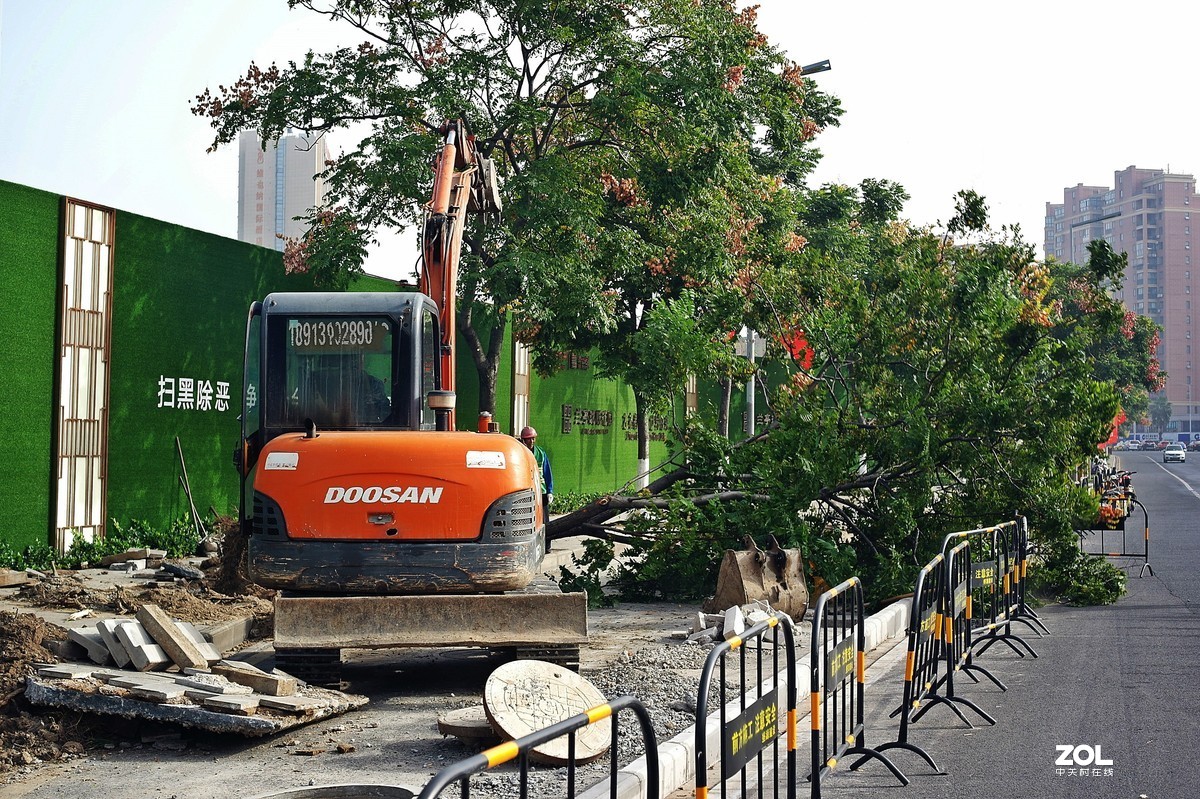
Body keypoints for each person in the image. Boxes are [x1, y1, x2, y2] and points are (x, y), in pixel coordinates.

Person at [519, 425, 554, 517]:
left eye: (533, 438)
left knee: (543, 519)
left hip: (541, 491)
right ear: (523, 440)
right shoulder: (519, 453)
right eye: (528, 439)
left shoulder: (541, 453)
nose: (531, 441)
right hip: (526, 492)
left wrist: (550, 491)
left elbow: (547, 473)